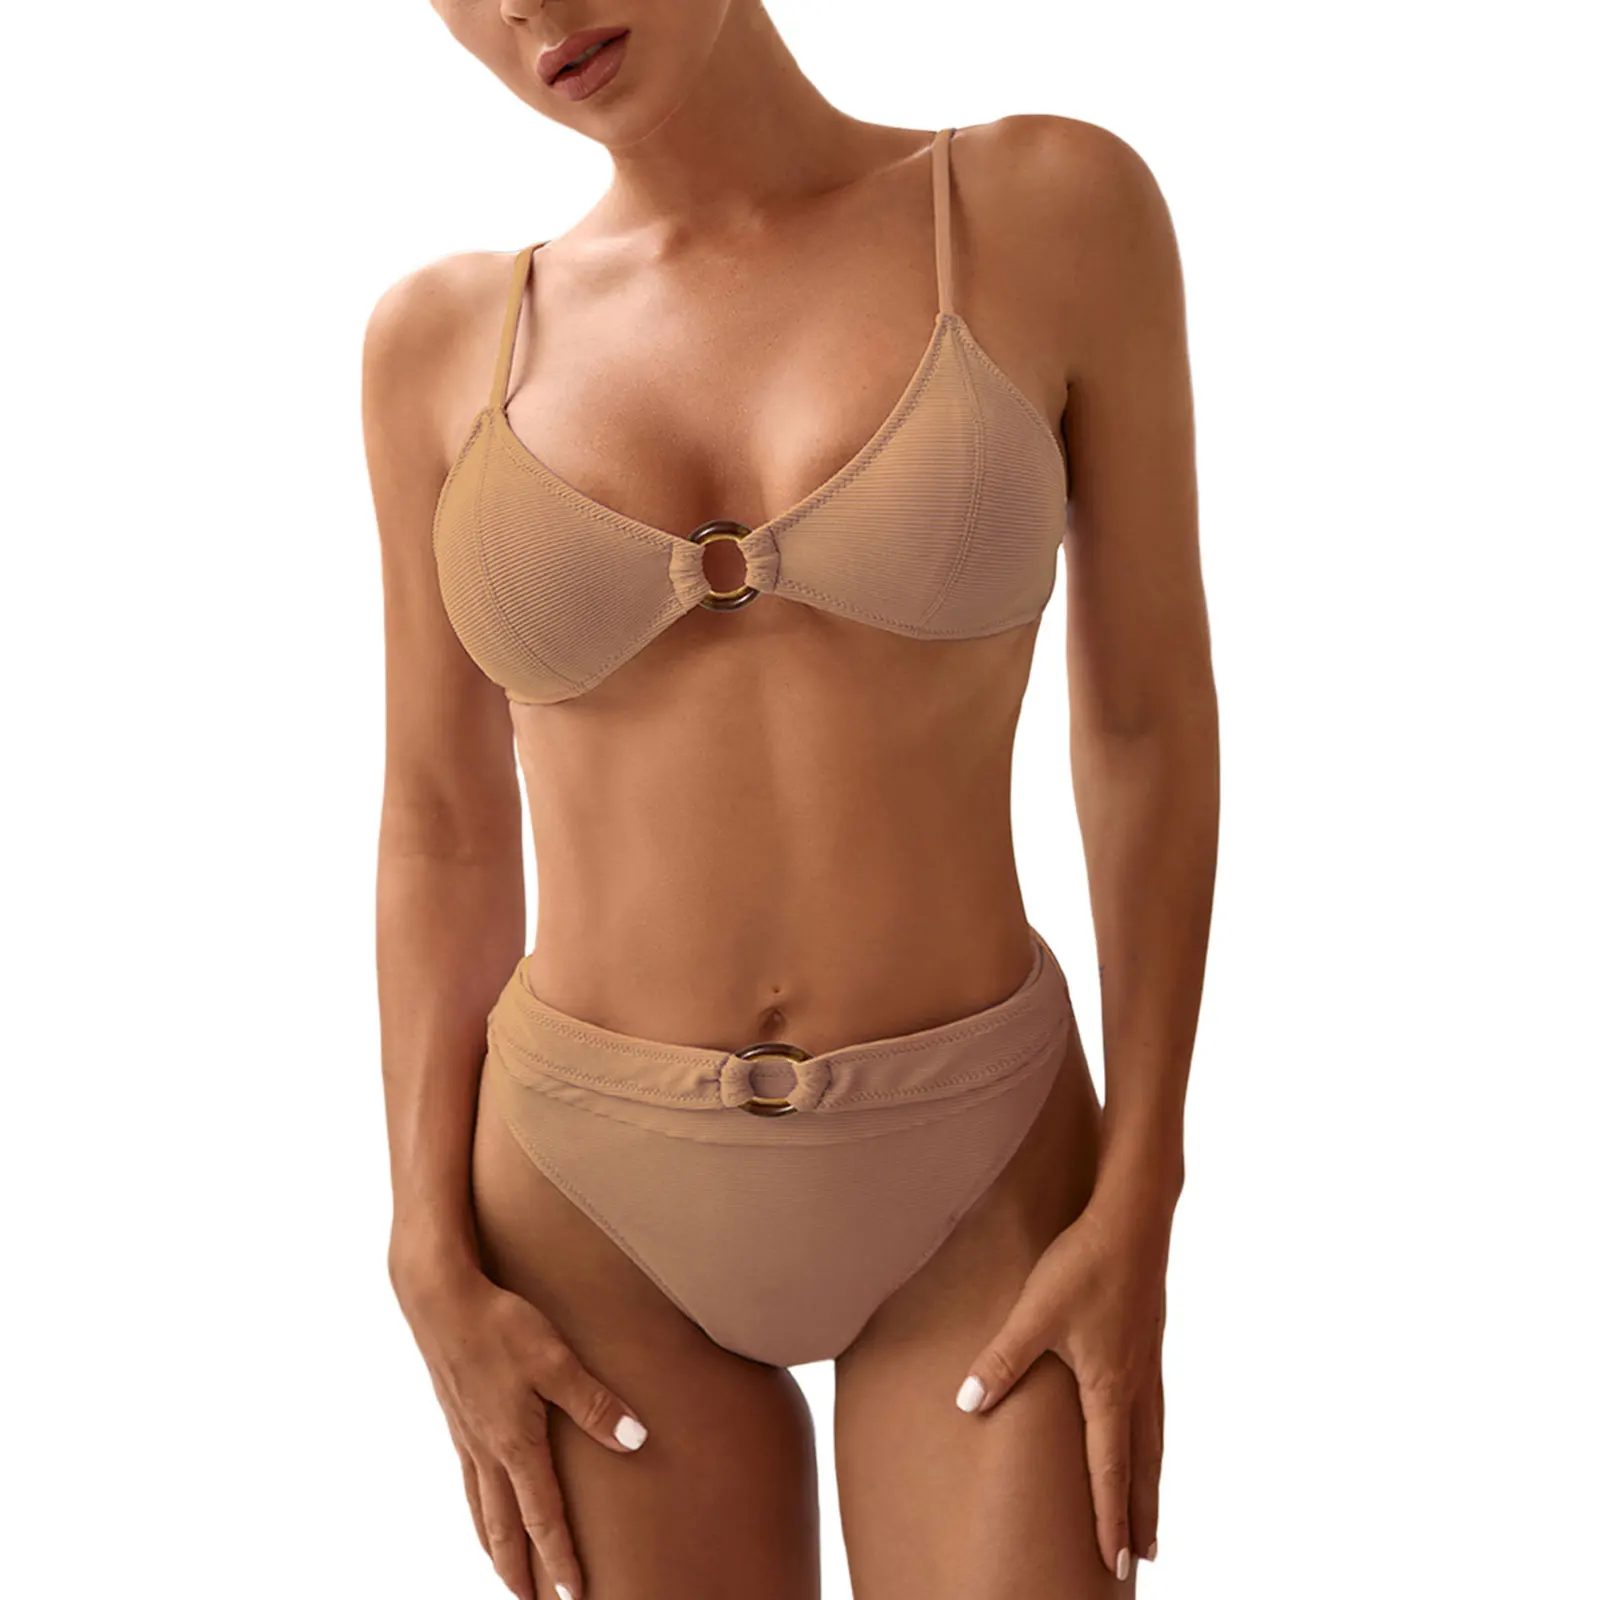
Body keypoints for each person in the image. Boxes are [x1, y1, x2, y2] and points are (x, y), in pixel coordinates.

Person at [361, 3, 1217, 1597]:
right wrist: (421, 1237)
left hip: (986, 1170)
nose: (526, 7)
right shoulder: (437, 342)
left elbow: (1147, 723)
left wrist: (1144, 1188)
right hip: (580, 1203)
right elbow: (441, 816)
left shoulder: (1048, 211)